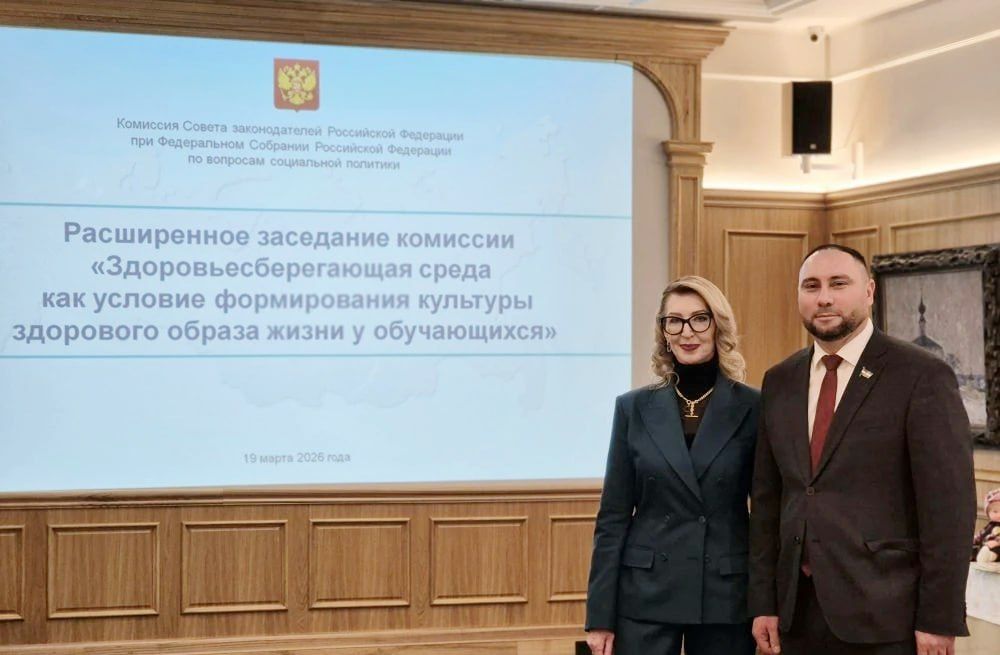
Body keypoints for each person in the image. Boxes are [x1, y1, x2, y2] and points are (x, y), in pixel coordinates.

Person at [749, 244, 976, 655]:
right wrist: (764, 603)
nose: (824, 297)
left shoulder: (921, 376)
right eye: (811, 286)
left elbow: (949, 509)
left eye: (838, 284)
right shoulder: (779, 380)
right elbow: (767, 502)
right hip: (795, 615)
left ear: (869, 291)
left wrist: (939, 618)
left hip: (887, 617)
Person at [586, 275, 759, 655]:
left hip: (724, 594)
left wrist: (767, 606)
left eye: (700, 319)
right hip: (645, 592)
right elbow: (612, 517)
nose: (687, 331)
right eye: (674, 321)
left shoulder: (753, 407)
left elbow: (766, 516)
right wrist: (599, 616)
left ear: (718, 326)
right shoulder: (632, 407)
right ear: (663, 332)